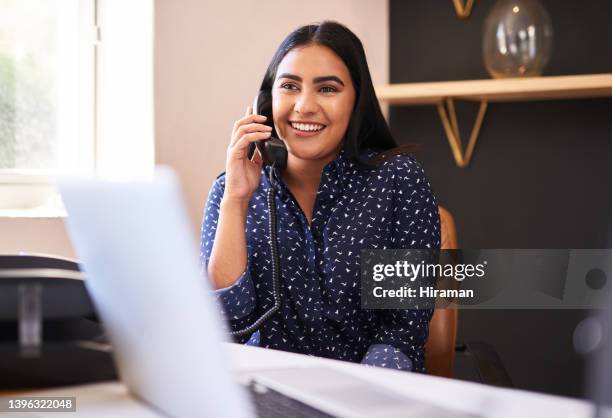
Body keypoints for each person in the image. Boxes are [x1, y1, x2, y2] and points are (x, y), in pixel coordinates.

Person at [200, 21, 440, 373]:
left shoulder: (398, 181)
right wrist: (236, 200)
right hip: (268, 393)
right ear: (265, 102)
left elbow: (403, 331)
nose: (304, 106)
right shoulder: (231, 190)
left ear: (356, 100)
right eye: (289, 87)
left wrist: (357, 397)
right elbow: (223, 329)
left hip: (371, 395)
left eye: (327, 89)